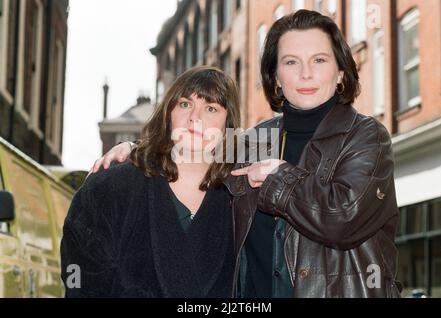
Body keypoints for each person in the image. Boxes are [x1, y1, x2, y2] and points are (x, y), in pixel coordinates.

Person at [91, 10, 401, 298]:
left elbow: (342, 219)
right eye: (291, 62)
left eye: (319, 60)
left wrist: (279, 177)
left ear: (341, 72)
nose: (305, 73)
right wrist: (135, 151)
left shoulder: (367, 136)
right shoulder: (256, 140)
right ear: (276, 76)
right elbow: (192, 150)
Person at [60, 66, 240, 297]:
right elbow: (79, 278)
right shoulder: (109, 189)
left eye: (211, 108)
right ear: (168, 114)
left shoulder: (242, 198)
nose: (195, 117)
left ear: (229, 126)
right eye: (185, 104)